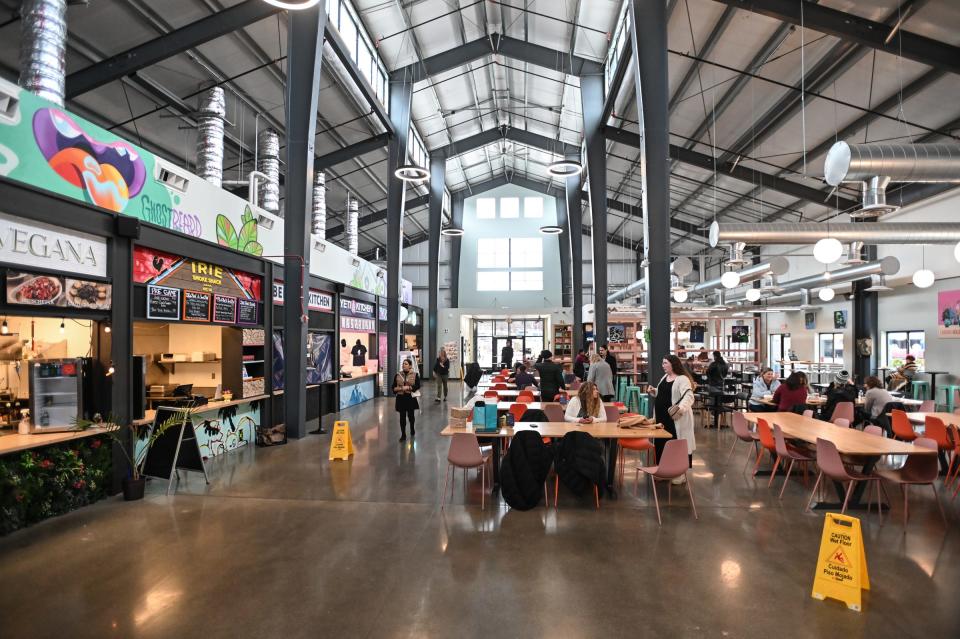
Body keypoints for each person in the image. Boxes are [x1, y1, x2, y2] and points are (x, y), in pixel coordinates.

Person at [649, 354, 696, 478]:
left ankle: (678, 475)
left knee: (675, 444)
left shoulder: (682, 379)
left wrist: (680, 408)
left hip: (675, 420)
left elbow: (689, 396)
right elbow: (663, 393)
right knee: (662, 444)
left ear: (673, 364)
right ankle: (663, 471)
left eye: (665, 363)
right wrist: (654, 391)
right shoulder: (666, 376)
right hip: (661, 419)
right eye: (663, 363)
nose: (662, 365)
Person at [393, 359, 420, 442]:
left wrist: (408, 387)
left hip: (410, 398)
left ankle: (412, 428)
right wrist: (400, 388)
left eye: (406, 364)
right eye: (403, 364)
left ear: (410, 366)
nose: (404, 365)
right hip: (401, 398)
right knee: (402, 417)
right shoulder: (397, 375)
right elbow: (393, 387)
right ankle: (403, 434)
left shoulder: (415, 375)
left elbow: (417, 386)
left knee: (411, 416)